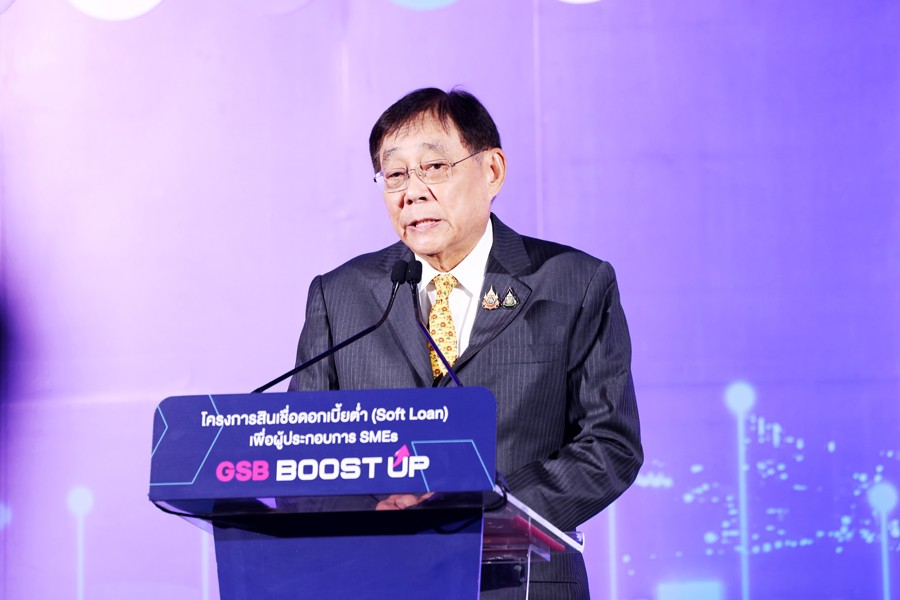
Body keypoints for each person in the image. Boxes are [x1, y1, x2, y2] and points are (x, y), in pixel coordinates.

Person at [288, 87, 642, 599]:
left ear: (492, 170)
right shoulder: (341, 296)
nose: (412, 192)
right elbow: (301, 453)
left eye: (434, 167)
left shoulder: (574, 283)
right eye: (394, 175)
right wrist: (373, 512)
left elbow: (610, 445)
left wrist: (482, 511)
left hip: (521, 581)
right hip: (380, 578)